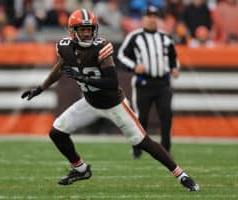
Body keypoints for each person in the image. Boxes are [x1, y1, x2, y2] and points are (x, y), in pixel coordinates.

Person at [21, 9, 199, 191]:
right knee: (57, 132)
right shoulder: (65, 47)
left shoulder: (100, 47)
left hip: (114, 104)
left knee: (142, 141)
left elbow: (112, 82)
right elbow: (59, 69)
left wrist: (84, 79)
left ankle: (181, 175)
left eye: (89, 29)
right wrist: (40, 88)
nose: (87, 33)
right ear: (72, 30)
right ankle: (80, 169)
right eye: (82, 29)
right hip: (90, 102)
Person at [117, 6, 179, 158]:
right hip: (143, 82)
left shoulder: (165, 37)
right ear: (143, 18)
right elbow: (121, 56)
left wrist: (175, 68)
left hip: (163, 83)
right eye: (148, 15)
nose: (151, 18)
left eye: (154, 15)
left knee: (166, 116)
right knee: (141, 118)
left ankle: (166, 150)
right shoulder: (135, 36)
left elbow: (173, 57)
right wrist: (134, 66)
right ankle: (137, 149)